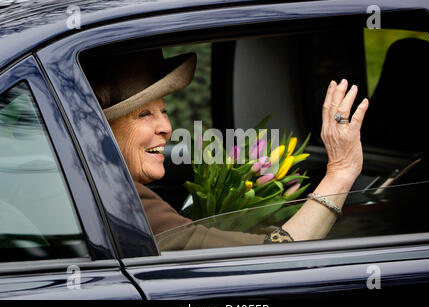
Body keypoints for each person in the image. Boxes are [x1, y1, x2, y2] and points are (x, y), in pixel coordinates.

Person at [83, 49, 369, 250]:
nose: (166, 128)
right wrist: (341, 171)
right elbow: (276, 256)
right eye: (144, 114)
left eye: (164, 110)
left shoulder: (104, 186)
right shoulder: (122, 201)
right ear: (101, 130)